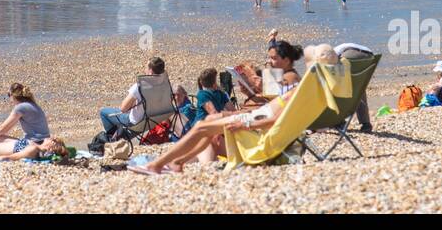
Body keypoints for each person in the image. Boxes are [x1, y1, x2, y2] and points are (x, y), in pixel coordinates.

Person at [132, 45, 339, 174]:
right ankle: (177, 162)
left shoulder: (297, 88)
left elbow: (275, 119)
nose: (270, 62)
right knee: (206, 124)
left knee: (203, 127)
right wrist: (242, 112)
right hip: (261, 123)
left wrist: (244, 121)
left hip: (262, 138)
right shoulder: (310, 90)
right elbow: (272, 106)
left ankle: (156, 165)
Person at [99, 57, 165, 136]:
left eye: (146, 67)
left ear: (150, 71)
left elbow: (123, 108)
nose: (145, 69)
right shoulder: (164, 84)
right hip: (152, 120)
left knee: (103, 112)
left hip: (136, 123)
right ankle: (117, 135)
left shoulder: (140, 86)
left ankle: (114, 139)